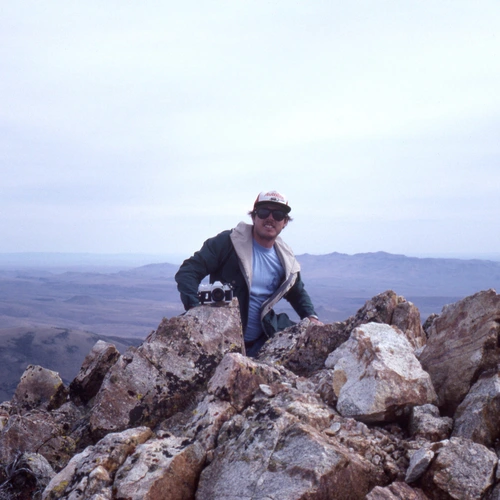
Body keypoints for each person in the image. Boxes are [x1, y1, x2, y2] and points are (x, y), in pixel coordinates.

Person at [175, 190, 322, 357]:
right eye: (264, 212)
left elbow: (297, 292)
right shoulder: (229, 242)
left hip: (263, 341)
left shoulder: (285, 258)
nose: (270, 218)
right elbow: (188, 272)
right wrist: (195, 309)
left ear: (285, 222)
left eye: (278, 214)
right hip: (219, 341)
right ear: (254, 216)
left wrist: (311, 317)